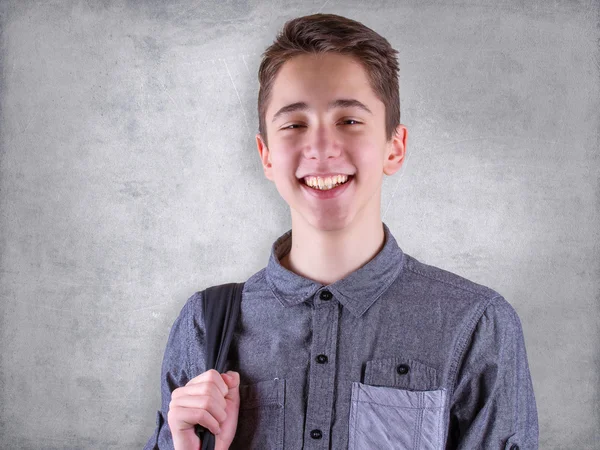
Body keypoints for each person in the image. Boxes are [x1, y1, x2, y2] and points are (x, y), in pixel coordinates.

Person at [144, 13, 539, 450]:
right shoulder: (205, 324)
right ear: (267, 155)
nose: (321, 147)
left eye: (349, 120)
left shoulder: (477, 322)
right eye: (294, 124)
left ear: (395, 146)